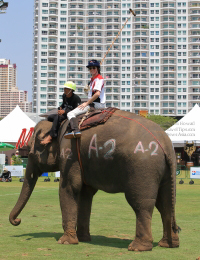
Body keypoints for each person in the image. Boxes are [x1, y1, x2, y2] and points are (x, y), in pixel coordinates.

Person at [64, 60, 105, 139]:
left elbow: (97, 94)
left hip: (96, 104)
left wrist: (86, 103)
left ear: (97, 68)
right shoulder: (93, 80)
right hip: (93, 103)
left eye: (94, 68)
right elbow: (92, 94)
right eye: (90, 68)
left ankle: (76, 131)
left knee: (70, 114)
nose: (92, 69)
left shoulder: (99, 79)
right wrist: (87, 90)